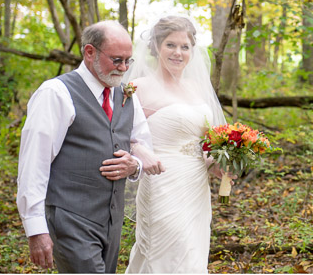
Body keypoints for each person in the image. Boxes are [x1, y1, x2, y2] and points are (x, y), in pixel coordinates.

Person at [16, 20, 149, 273]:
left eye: (128, 61)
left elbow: (142, 143)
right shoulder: (56, 93)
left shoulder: (126, 94)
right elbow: (34, 163)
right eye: (116, 60)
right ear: (90, 52)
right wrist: (35, 228)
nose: (123, 68)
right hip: (70, 218)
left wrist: (135, 165)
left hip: (112, 220)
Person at [123, 15, 229, 273]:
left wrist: (216, 163)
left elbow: (202, 140)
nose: (178, 52)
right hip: (161, 180)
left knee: (193, 250)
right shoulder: (138, 87)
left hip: (195, 185)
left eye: (185, 46)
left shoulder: (197, 88)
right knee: (166, 250)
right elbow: (120, 134)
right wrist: (139, 151)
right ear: (157, 46)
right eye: (171, 45)